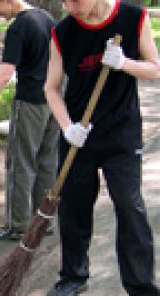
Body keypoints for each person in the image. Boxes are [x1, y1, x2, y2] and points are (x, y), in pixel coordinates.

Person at [44, 0, 160, 294]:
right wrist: (67, 127)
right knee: (74, 207)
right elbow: (51, 88)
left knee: (129, 206)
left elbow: (155, 69)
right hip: (78, 136)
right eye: (64, 0)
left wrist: (124, 63)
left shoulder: (133, 18)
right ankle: (73, 276)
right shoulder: (63, 32)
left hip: (121, 135)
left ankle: (141, 286)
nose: (69, 6)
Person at [0, 0, 59, 240]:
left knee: (20, 164)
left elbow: (5, 74)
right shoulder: (46, 18)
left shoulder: (19, 26)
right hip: (55, 100)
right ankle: (44, 222)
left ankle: (16, 226)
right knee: (47, 163)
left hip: (30, 103)